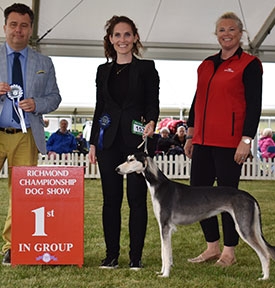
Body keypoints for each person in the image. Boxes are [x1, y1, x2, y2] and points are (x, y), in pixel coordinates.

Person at [184, 12, 262, 267]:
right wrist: (190, 134)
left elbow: (254, 106)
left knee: (228, 199)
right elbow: (198, 101)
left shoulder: (249, 64)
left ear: (241, 34)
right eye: (221, 30)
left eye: (231, 30)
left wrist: (247, 140)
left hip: (230, 143)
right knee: (198, 196)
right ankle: (211, 248)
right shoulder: (206, 64)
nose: (226, 34)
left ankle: (229, 251)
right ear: (216, 34)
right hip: (203, 142)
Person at [88, 15, 159, 269]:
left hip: (136, 143)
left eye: (127, 34)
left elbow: (153, 102)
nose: (122, 40)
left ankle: (135, 257)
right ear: (110, 39)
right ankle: (111, 255)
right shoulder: (102, 71)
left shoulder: (147, 68)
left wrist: (152, 122)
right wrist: (93, 142)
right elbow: (100, 107)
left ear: (135, 37)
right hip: (108, 143)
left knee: (137, 200)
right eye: (117, 35)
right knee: (111, 200)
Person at [0, 3, 61, 264]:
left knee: (21, 194)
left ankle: (11, 246)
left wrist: (38, 104)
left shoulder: (44, 62)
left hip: (27, 136)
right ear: (5, 27)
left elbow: (55, 97)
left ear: (30, 28)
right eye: (13, 24)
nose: (18, 30)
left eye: (24, 25)